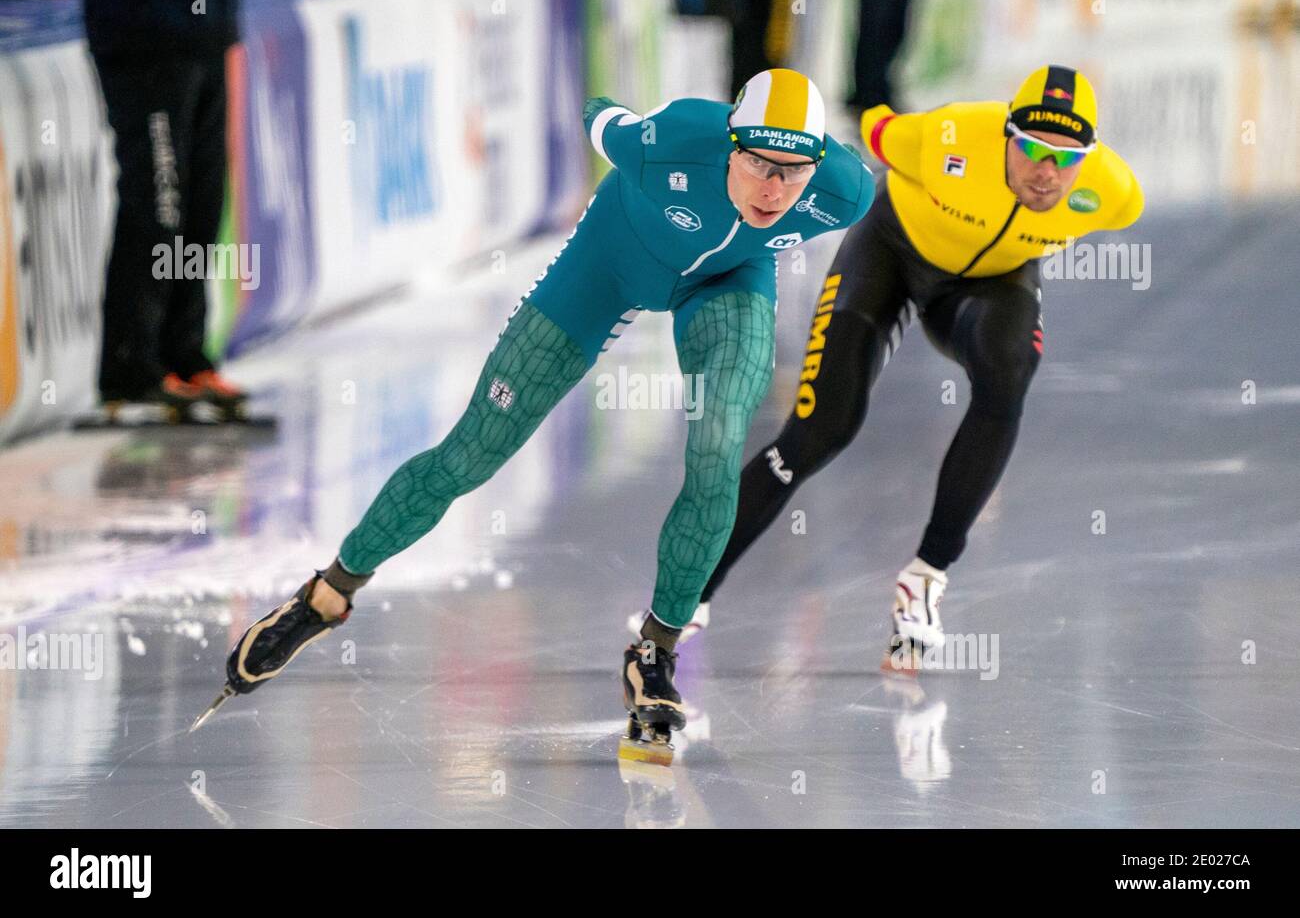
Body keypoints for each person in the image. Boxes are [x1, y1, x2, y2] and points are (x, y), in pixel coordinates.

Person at [205, 70, 875, 741]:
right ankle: (325, 596)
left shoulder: (844, 192)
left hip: (728, 285)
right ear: (730, 145)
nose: (773, 188)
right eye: (759, 162)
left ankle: (656, 652)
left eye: (793, 171)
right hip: (610, 262)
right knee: (470, 456)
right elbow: (596, 108)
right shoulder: (666, 142)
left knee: (717, 447)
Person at [686, 65, 1144, 670]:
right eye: (1031, 147)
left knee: (1010, 375)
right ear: (1006, 134)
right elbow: (870, 125)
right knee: (820, 430)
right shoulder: (946, 136)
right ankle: (687, 590)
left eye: (1066, 156)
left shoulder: (1115, 195)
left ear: (1090, 157)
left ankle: (926, 576)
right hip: (890, 256)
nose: (1046, 170)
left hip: (990, 286)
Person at [77, 0, 249, 418]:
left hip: (208, 29)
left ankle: (185, 355)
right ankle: (132, 366)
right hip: (144, 38)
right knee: (160, 205)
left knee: (202, 208)